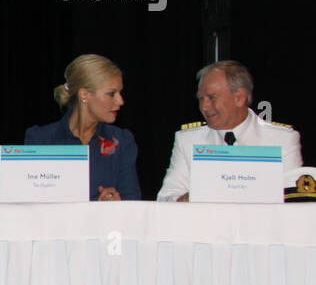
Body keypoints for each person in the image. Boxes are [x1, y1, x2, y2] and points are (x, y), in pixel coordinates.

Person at [157, 60, 302, 201]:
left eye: (211, 97)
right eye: (201, 99)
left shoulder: (281, 140)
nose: (204, 107)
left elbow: (293, 202)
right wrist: (184, 200)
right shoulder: (188, 140)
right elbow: (166, 197)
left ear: (239, 98)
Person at [24, 54, 140, 201]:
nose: (120, 101)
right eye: (112, 94)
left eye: (120, 93)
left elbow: (132, 202)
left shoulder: (122, 141)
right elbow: (29, 202)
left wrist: (115, 203)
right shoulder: (41, 139)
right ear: (84, 95)